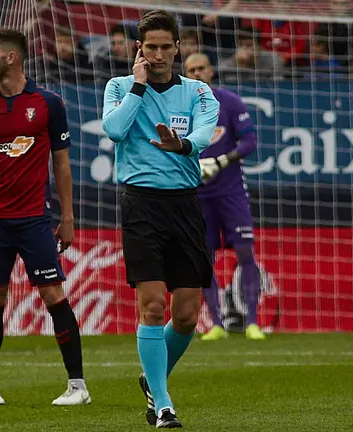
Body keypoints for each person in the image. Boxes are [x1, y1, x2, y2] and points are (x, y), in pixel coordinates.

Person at [0, 28, 89, 406]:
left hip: (33, 219)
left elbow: (62, 165)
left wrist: (68, 217)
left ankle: (78, 385)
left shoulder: (47, 104)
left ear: (11, 57)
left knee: (52, 293)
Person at [101, 10, 220, 429]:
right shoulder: (119, 86)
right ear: (139, 49)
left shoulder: (199, 92)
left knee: (187, 314)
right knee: (152, 307)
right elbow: (114, 131)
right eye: (149, 47)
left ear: (176, 48)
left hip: (185, 205)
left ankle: (151, 378)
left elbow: (204, 138)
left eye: (164, 47)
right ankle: (163, 403)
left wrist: (182, 144)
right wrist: (137, 86)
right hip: (141, 205)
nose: (157, 55)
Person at [182, 52, 265, 342]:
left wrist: (222, 160)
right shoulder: (181, 108)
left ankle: (253, 321)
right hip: (198, 194)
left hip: (231, 191)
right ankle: (216, 322)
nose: (196, 73)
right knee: (205, 258)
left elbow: (250, 141)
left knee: (244, 252)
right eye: (190, 69)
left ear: (211, 70)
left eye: (201, 68)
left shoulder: (229, 102)